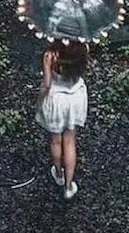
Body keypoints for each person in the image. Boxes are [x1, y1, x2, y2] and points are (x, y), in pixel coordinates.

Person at [34, 40, 89, 200]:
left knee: (56, 141)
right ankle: (69, 186)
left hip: (57, 100)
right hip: (75, 98)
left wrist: (39, 102)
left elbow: (47, 84)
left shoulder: (50, 55)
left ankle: (58, 173)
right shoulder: (82, 49)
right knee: (70, 141)